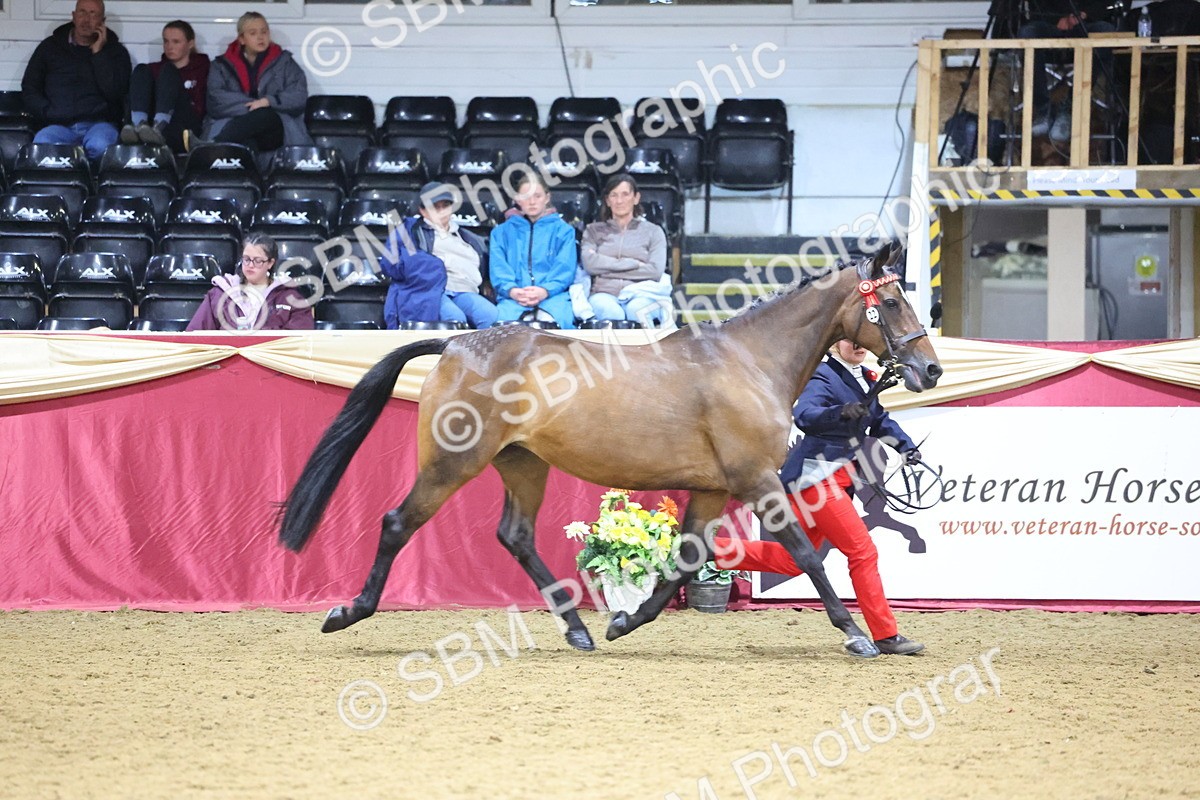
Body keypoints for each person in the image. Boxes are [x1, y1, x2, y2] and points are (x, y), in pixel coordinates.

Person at [713, 339, 925, 658]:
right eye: (848, 340)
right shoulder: (822, 375)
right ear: (835, 342)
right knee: (862, 551)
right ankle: (886, 634)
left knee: (793, 560)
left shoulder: (866, 378)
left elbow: (880, 421)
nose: (857, 345)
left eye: (860, 341)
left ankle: (708, 549)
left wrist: (905, 446)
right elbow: (805, 415)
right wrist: (840, 412)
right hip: (816, 478)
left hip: (836, 478)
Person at [20, 0, 132, 162]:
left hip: (100, 125)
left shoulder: (116, 52)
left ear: (103, 21)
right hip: (58, 125)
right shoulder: (49, 48)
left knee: (102, 146)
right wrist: (46, 111)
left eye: (93, 14)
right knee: (43, 145)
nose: (86, 20)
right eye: (82, 12)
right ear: (73, 16)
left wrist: (99, 54)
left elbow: (117, 92)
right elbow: (30, 87)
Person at [188, 11, 310, 154]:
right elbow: (215, 100)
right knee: (249, 138)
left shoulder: (285, 63)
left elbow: (299, 96)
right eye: (253, 33)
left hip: (274, 131)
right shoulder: (220, 65)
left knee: (265, 115)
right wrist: (253, 107)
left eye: (264, 32)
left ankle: (211, 146)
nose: (260, 37)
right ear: (241, 38)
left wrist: (268, 101)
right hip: (235, 125)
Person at [380, 182, 498, 329]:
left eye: (445, 205)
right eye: (436, 207)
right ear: (423, 211)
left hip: (464, 290)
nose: (442, 211)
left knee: (491, 316)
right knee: (455, 319)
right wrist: (435, 265)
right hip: (433, 292)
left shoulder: (469, 238)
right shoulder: (409, 231)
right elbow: (391, 264)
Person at [1018, 0, 1117, 143]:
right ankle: (1042, 110)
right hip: (1049, 22)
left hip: (1086, 23)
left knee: (1105, 31)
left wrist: (1084, 14)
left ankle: (1071, 107)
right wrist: (1056, 19)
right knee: (1028, 33)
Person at [490, 172, 579, 329]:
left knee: (557, 328)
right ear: (517, 200)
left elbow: (565, 269)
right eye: (526, 196)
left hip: (553, 298)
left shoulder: (564, 231)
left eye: (537, 196)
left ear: (547, 198)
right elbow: (498, 269)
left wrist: (544, 290)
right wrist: (512, 290)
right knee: (502, 333)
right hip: (513, 300)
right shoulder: (500, 233)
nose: (531, 202)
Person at [581, 173, 669, 326]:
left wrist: (604, 269)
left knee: (637, 309)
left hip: (641, 293)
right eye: (614, 195)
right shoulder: (593, 231)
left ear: (636, 198)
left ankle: (646, 350)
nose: (619, 201)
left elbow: (654, 271)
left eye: (625, 194)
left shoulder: (654, 231)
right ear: (608, 201)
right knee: (612, 313)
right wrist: (633, 263)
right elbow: (590, 265)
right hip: (603, 293)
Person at [186, 232, 314, 331]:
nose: (250, 265)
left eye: (258, 261)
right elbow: (195, 334)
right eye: (246, 259)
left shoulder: (289, 297)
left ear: (270, 263)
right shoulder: (219, 294)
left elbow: (302, 341)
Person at [120, 20, 209, 152]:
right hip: (150, 124)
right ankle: (137, 125)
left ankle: (159, 127)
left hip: (184, 124)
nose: (169, 46)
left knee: (168, 71)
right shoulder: (153, 69)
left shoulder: (203, 68)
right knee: (141, 69)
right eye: (166, 41)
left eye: (176, 42)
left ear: (190, 43)